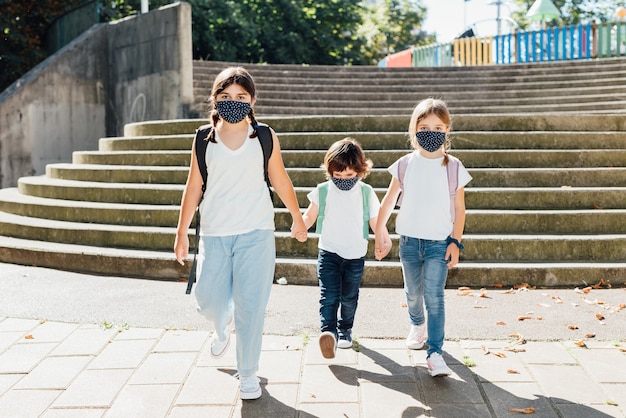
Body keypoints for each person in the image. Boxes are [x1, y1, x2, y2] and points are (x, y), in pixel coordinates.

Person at [174, 66, 308, 400]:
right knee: (207, 299)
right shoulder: (203, 137)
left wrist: (297, 217)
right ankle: (222, 327)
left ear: (252, 101)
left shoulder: (263, 136)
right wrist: (181, 232)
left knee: (251, 307)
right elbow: (194, 186)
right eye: (226, 96)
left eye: (241, 97)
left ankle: (247, 374)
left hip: (256, 233)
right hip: (216, 234)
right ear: (215, 100)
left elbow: (280, 179)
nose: (233, 102)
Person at [374, 98, 472, 377]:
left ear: (447, 131)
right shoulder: (404, 165)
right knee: (413, 293)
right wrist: (380, 232)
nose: (431, 131)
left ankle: (435, 353)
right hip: (408, 242)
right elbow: (388, 201)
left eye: (438, 127)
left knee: (435, 296)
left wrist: (455, 241)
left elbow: (459, 208)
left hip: (439, 243)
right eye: (424, 126)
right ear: (414, 130)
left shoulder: (453, 167)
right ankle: (417, 324)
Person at [301, 138, 391, 359]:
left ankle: (345, 330)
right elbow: (310, 215)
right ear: (329, 171)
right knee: (328, 295)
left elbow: (376, 222)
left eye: (349, 176)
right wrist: (300, 226)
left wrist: (384, 242)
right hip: (329, 252)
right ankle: (328, 333)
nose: (342, 180)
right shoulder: (323, 190)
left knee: (349, 297)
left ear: (360, 171)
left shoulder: (366, 192)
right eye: (337, 176)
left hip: (355, 255)